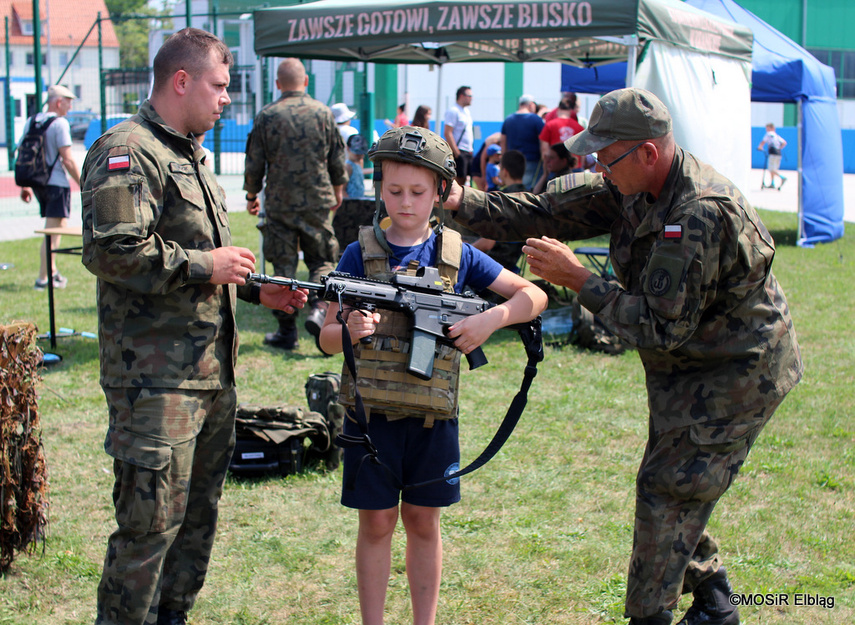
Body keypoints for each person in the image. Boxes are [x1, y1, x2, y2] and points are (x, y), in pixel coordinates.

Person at [444, 87, 803, 625]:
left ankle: (653, 616)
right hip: (688, 368)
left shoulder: (699, 213)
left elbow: (660, 328)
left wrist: (579, 280)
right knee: (673, 484)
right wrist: (459, 203)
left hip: (736, 372)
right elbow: (545, 209)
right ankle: (714, 604)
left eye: (605, 158)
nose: (597, 168)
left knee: (668, 490)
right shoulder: (630, 181)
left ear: (648, 153)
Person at [80, 28, 309, 625]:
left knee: (196, 521)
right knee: (148, 529)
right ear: (181, 81)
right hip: (155, 383)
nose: (227, 99)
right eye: (219, 86)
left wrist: (258, 288)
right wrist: (208, 264)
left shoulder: (189, 154)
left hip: (209, 376)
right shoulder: (128, 151)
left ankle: (172, 616)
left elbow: (205, 260)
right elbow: (113, 250)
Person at [317, 126, 547, 625]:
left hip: (432, 420)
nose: (405, 203)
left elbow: (533, 296)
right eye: (394, 191)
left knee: (423, 521)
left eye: (418, 192)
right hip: (370, 415)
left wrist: (490, 320)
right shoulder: (359, 255)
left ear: (441, 193)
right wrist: (351, 328)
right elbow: (326, 337)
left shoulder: (458, 255)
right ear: (379, 189)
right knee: (376, 524)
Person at [244, 58, 348, 353]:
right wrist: (338, 189)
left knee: (283, 267)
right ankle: (318, 309)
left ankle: (286, 331)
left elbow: (255, 162)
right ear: (306, 82)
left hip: (280, 203)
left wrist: (252, 195)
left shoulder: (267, 115)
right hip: (317, 200)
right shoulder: (324, 113)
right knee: (322, 260)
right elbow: (337, 158)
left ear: (278, 84)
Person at [17, 84, 81, 290]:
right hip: (56, 184)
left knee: (53, 229)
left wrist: (26, 185)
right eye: (68, 103)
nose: (69, 108)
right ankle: (43, 278)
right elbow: (68, 159)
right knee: (53, 231)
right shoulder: (60, 124)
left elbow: (24, 151)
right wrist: (83, 183)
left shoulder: (32, 121)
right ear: (59, 102)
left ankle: (52, 272)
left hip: (38, 183)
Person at [499, 94, 544, 189]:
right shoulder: (536, 120)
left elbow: (503, 142)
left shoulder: (508, 120)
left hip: (512, 161)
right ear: (531, 105)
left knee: (513, 189)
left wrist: (503, 161)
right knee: (528, 190)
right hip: (532, 161)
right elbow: (543, 143)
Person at [443, 86, 474, 186]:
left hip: (468, 151)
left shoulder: (466, 111)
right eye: (469, 96)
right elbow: (448, 132)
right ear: (461, 96)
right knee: (457, 180)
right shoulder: (453, 111)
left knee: (466, 180)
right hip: (460, 151)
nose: (471, 98)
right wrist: (457, 153)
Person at [757, 122, 787, 189]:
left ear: (771, 128)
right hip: (778, 154)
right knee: (774, 169)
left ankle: (782, 177)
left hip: (773, 153)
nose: (766, 130)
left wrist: (760, 147)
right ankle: (772, 183)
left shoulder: (769, 134)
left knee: (771, 169)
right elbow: (784, 142)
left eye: (767, 128)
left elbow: (763, 141)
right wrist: (779, 148)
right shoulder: (776, 136)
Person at [344, 134, 369, 200]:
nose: (359, 156)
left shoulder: (359, 162)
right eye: (356, 153)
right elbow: (342, 190)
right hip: (351, 202)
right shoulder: (347, 167)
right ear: (348, 149)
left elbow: (360, 172)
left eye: (361, 153)